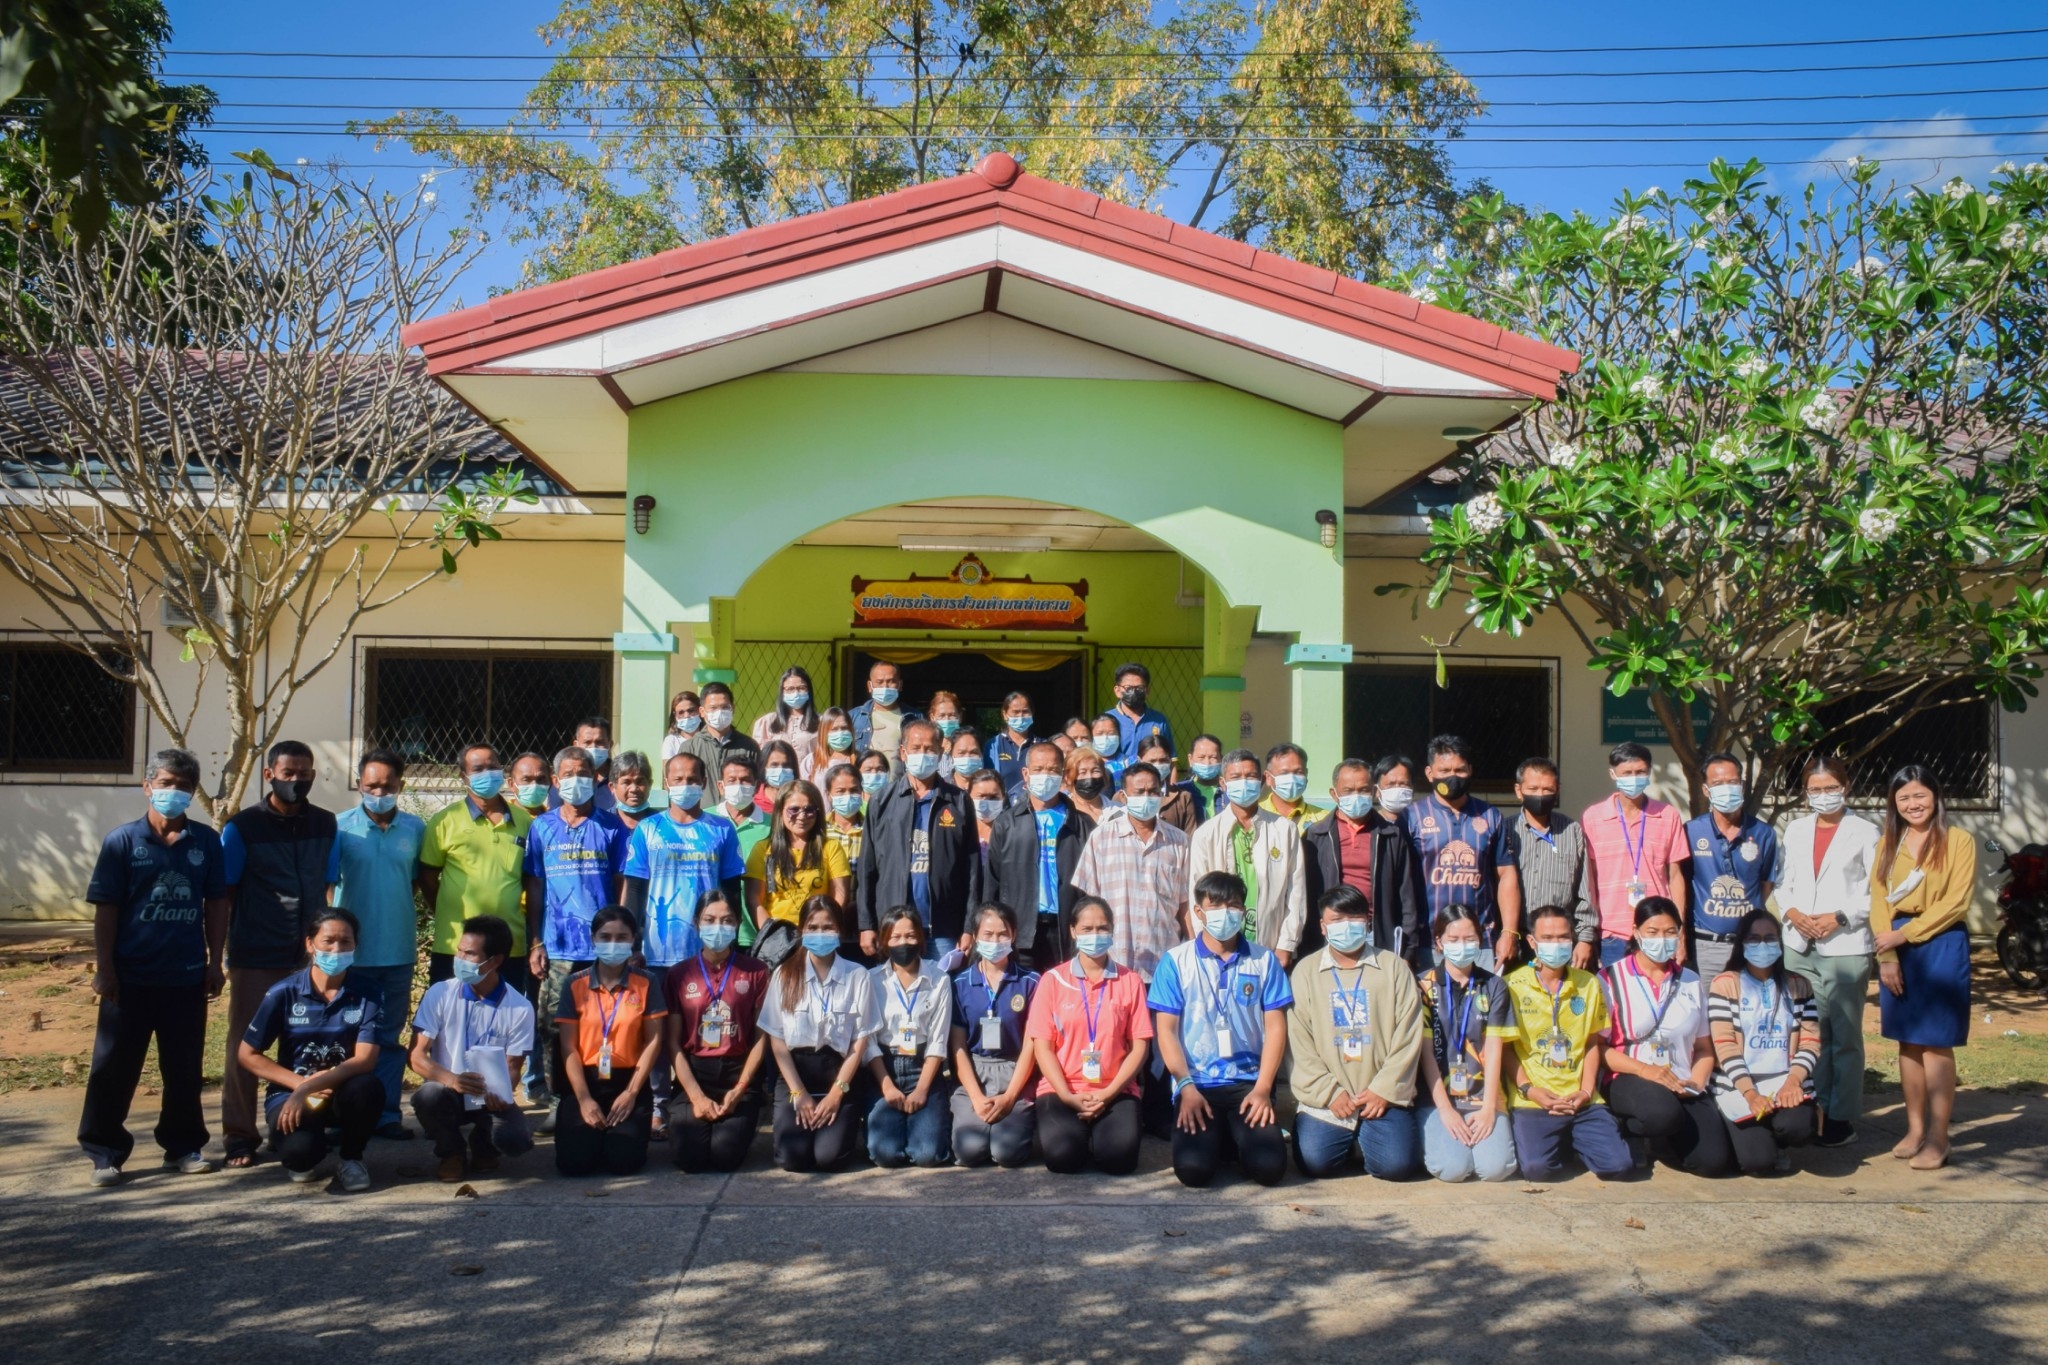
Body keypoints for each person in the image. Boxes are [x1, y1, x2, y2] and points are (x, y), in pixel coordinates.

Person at [77, 748, 229, 1187]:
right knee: (113, 1067)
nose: (173, 792)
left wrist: (214, 962)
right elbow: (106, 909)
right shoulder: (123, 841)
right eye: (165, 783)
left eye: (183, 786)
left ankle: (182, 1146)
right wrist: (105, 968)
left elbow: (217, 903)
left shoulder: (206, 842)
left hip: (185, 976)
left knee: (183, 1068)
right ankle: (104, 1152)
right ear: (147, 787)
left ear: (192, 792)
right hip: (129, 979)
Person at [220, 739, 337, 1169]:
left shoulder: (324, 823)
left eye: (304, 774)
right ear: (269, 774)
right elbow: (226, 891)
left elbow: (328, 885)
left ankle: (294, 1124)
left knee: (305, 1043)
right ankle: (239, 1136)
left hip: (307, 955)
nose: (296, 780)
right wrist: (224, 950)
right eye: (288, 773)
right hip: (256, 951)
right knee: (245, 1045)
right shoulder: (242, 827)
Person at [1151, 872, 1292, 1187]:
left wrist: (1263, 1088)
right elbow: (1167, 1032)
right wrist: (1185, 1087)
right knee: (1193, 1172)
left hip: (1248, 1084)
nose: (1225, 914)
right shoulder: (1175, 962)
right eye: (1215, 906)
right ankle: (1224, 1138)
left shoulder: (1264, 960)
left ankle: (1231, 1136)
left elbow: (1275, 1028)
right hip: (1197, 1084)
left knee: (1270, 1169)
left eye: (1234, 906)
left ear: (1243, 911)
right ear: (1198, 912)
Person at [1871, 764, 1975, 1170]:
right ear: (1893, 803)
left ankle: (1938, 1136)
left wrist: (1906, 935)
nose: (1913, 804)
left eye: (1920, 795)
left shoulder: (1958, 841)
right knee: (1908, 1041)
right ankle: (1914, 1129)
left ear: (1936, 796)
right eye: (1904, 798)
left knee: (1936, 1042)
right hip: (1895, 944)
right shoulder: (1888, 843)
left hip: (1941, 942)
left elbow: (1956, 902)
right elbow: (1878, 899)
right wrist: (1887, 955)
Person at [235, 908, 383, 1192]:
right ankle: (300, 1146)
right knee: (300, 1156)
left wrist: (313, 1085)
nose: (337, 949)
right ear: (309, 944)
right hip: (292, 1093)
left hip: (341, 1091)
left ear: (356, 945)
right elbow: (247, 1054)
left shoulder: (369, 991)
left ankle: (351, 1159)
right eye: (328, 941)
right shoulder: (283, 992)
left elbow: (365, 1059)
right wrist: (300, 1086)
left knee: (368, 1087)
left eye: (346, 942)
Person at [1775, 753, 1879, 1147]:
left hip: (1845, 944)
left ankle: (1840, 1117)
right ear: (1805, 792)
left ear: (1846, 787)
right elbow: (1782, 882)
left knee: (1845, 1035)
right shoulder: (1796, 830)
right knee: (1809, 1031)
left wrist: (1840, 916)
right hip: (1799, 944)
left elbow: (1876, 891)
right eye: (1814, 790)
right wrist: (1793, 912)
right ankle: (1813, 1107)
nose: (1823, 795)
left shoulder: (1866, 832)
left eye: (1831, 788)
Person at [1287, 885, 1426, 1180]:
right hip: (1328, 1098)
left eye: (1354, 918)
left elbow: (1409, 1034)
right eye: (1337, 920)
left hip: (1382, 1096)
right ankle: (1350, 1140)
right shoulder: (1305, 971)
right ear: (1322, 926)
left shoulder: (1393, 967)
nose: (1346, 926)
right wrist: (1330, 1092)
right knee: (1314, 1162)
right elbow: (1299, 1042)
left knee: (1397, 1166)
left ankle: (1365, 1139)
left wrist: (1383, 1090)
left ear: (1367, 922)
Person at [523, 743, 630, 1116]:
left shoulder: (612, 827)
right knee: (553, 1027)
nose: (576, 781)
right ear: (555, 781)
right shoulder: (542, 827)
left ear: (596, 778)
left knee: (604, 1026)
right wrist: (536, 941)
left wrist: (624, 938)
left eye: (583, 774)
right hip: (558, 948)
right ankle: (559, 1103)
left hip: (604, 950)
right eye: (568, 775)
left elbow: (622, 884)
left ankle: (602, 1098)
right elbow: (535, 885)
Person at [327, 747, 427, 1141]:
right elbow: (328, 885)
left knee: (388, 1036)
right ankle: (341, 1114)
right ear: (358, 784)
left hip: (398, 951)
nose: (379, 792)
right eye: (371, 785)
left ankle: (386, 1114)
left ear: (401, 785)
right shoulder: (340, 828)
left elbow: (414, 881)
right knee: (343, 1036)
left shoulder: (415, 829)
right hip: (349, 955)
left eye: (387, 785)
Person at [1600, 897, 1730, 1176]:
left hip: (1682, 1080)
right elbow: (1598, 1048)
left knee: (1713, 1161)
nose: (1662, 939)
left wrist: (1696, 1082)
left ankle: (1667, 1139)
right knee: (1661, 1113)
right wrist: (1645, 1070)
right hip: (1629, 1077)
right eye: (1653, 931)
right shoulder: (1609, 978)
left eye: (1670, 932)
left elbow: (1704, 1048)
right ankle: (1631, 1130)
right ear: (1636, 932)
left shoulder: (1691, 980)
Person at [1503, 905, 1632, 1181]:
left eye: (1563, 937)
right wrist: (1529, 1090)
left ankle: (1576, 1136)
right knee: (1537, 1170)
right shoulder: (1511, 985)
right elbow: (1506, 1049)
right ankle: (1563, 1142)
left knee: (1619, 1166)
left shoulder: (1589, 984)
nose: (1557, 944)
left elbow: (1592, 1043)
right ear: (1531, 941)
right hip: (1534, 1100)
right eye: (1547, 938)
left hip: (1582, 1098)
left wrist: (1586, 1091)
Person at [1027, 896, 1153, 1174]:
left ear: (1112, 931)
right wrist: (1066, 1095)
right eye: (1087, 929)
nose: (1095, 935)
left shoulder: (1130, 981)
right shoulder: (1052, 981)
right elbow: (1042, 1048)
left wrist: (1107, 1094)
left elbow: (1139, 1047)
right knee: (1063, 1159)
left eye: (1102, 928)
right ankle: (1081, 1137)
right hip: (1062, 1089)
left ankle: (1101, 1136)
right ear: (1073, 931)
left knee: (1119, 1161)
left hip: (1115, 1089)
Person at [407, 915, 536, 1181]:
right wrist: (452, 1080)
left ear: (495, 961)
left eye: (470, 954)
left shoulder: (520, 1007)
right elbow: (416, 1057)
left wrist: (500, 1094)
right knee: (428, 1096)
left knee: (515, 1140)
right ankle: (451, 1152)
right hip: (448, 1090)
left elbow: (513, 1067)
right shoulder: (440, 993)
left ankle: (483, 1144)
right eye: (459, 951)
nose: (460, 959)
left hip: (489, 1095)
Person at [761, 896, 878, 1171]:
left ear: (840, 931)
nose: (820, 934)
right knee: (793, 1159)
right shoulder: (784, 975)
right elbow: (777, 1039)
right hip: (795, 1074)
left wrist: (837, 1093)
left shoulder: (857, 975)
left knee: (829, 1158)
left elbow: (859, 1041)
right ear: (801, 930)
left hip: (838, 1075)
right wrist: (798, 1093)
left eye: (828, 927)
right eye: (813, 927)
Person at [553, 907, 667, 1175]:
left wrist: (631, 1093)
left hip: (629, 1080)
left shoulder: (647, 983)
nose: (613, 944)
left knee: (624, 1162)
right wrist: (583, 1099)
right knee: (574, 1165)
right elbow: (568, 1047)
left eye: (621, 937)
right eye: (605, 937)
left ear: (633, 939)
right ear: (593, 938)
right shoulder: (574, 984)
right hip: (585, 1081)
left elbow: (653, 1042)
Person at [664, 889, 770, 1173]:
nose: (718, 927)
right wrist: (696, 1097)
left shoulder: (757, 971)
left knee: (725, 1156)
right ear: (696, 923)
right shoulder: (678, 974)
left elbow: (761, 1038)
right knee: (690, 1159)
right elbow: (672, 1044)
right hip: (695, 1073)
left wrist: (740, 1089)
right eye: (709, 920)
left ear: (737, 924)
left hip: (738, 1074)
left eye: (727, 920)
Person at [1708, 909, 1821, 1173]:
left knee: (1799, 1127)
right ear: (1741, 943)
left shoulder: (1800, 985)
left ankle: (1778, 1139)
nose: (1762, 945)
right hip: (1739, 1088)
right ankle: (1748, 1135)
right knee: (1757, 1162)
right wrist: (1751, 1094)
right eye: (1754, 939)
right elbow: (1725, 1046)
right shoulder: (1725, 984)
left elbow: (1810, 1041)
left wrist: (1793, 1082)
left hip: (1785, 1083)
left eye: (1770, 938)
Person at [856, 719, 978, 962]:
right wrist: (866, 924)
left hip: (943, 928)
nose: (923, 754)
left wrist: (968, 926)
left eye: (930, 749)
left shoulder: (958, 801)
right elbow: (867, 868)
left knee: (941, 984)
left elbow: (972, 870)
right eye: (916, 748)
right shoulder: (881, 801)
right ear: (903, 753)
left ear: (940, 753)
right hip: (893, 926)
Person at [418, 744, 534, 993]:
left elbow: (530, 880)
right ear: (464, 776)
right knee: (448, 1012)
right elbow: (427, 878)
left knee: (505, 1012)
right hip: (456, 946)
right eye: (478, 769)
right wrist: (446, 909)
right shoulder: (444, 821)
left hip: (509, 946)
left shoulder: (524, 821)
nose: (487, 773)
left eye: (493, 767)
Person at [1415, 905, 1519, 1183]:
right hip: (1437, 1098)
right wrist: (1445, 1110)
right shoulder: (1422, 985)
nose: (1462, 946)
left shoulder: (1494, 986)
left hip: (1481, 1095)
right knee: (1454, 1169)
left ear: (1480, 940)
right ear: (1439, 942)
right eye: (1454, 939)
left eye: (1470, 939)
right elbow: (1425, 1054)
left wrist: (1488, 1109)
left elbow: (1494, 1048)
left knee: (1496, 1169)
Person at [1407, 735, 1523, 973]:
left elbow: (1506, 875)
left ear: (1470, 770)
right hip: (1429, 943)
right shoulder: (1411, 817)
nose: (1453, 776)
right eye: (1444, 770)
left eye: (1460, 770)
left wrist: (1509, 932)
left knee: (1482, 997)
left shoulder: (1490, 816)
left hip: (1480, 943)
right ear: (1429, 773)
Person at [623, 752, 747, 972]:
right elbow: (635, 889)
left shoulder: (722, 829)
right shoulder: (647, 828)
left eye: (692, 780)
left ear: (704, 783)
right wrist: (631, 945)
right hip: (657, 952)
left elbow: (732, 890)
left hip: (710, 949)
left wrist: (731, 939)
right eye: (678, 780)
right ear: (666, 783)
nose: (685, 785)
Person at [1071, 760, 1191, 983]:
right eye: (1139, 791)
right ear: (1124, 796)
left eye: (1153, 791)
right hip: (1113, 962)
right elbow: (1089, 903)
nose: (1146, 797)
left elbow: (1185, 905)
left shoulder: (1179, 842)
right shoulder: (1101, 838)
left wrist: (1193, 951)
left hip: (1163, 964)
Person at [1302, 758, 1428, 970]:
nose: (1356, 796)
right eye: (1348, 790)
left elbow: (1406, 896)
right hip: (1331, 934)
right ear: (1334, 794)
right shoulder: (1315, 836)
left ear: (1374, 792)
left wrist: (1407, 950)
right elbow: (1305, 894)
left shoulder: (1392, 836)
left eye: (1363, 790)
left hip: (1376, 935)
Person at [1187, 748, 1307, 967]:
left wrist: (1287, 944)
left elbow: (1296, 892)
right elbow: (1196, 892)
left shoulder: (1284, 829)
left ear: (1261, 781)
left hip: (1270, 947)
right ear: (1223, 783)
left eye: (1250, 776)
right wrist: (1205, 944)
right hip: (1220, 948)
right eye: (1236, 777)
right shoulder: (1206, 834)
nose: (1244, 782)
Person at [985, 740, 1097, 970]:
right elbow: (993, 881)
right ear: (1026, 774)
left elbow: (1093, 884)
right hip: (1021, 931)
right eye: (1038, 769)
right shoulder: (1006, 823)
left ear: (1063, 775)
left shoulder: (1082, 824)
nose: (1045, 776)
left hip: (1067, 930)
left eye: (1052, 770)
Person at [1581, 741, 1690, 968]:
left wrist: (1679, 931)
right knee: (1616, 990)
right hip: (1611, 932)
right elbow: (1589, 878)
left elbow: (1676, 876)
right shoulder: (1593, 817)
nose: (1634, 778)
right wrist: (1590, 931)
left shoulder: (1668, 815)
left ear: (1649, 772)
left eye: (1640, 772)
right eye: (1627, 773)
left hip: (1658, 929)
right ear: (1613, 774)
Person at [949, 903, 1040, 1167]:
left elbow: (1031, 1045)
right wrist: (976, 1097)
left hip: (1016, 1071)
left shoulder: (1031, 982)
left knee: (1006, 1153)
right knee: (969, 1151)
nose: (995, 941)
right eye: (988, 934)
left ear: (1014, 935)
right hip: (974, 1072)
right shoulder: (959, 983)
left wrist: (1010, 1097)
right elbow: (958, 1047)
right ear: (976, 936)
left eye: (1003, 934)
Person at [864, 907, 955, 1167]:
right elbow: (868, 1040)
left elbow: (938, 1040)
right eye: (895, 937)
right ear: (884, 941)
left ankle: (928, 1120)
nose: (903, 942)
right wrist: (887, 1087)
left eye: (910, 936)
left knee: (928, 1155)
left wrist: (922, 1090)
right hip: (884, 1067)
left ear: (921, 939)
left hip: (923, 1066)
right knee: (885, 1155)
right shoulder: (871, 980)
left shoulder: (939, 979)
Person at [1683, 751, 1779, 979]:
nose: (1726, 789)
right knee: (1708, 1002)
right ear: (1706, 790)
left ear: (1742, 786)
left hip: (1751, 945)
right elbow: (1683, 883)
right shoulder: (1691, 832)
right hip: (1705, 946)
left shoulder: (1764, 834)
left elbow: (1766, 885)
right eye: (1718, 783)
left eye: (1732, 782)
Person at [1511, 758, 1597, 969]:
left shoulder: (1572, 831)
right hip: (1516, 940)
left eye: (1547, 789)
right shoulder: (1505, 831)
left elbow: (1584, 890)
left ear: (1557, 790)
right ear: (1519, 791)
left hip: (1560, 943)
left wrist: (1585, 939)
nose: (1540, 795)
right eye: (1533, 789)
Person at [746, 779, 853, 929]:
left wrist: (824, 928)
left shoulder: (831, 848)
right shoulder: (763, 849)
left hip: (818, 933)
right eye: (794, 809)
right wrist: (771, 934)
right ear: (780, 811)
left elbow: (839, 896)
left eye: (809, 810)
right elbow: (753, 899)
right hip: (776, 935)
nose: (802, 816)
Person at [707, 754, 772, 945]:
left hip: (757, 931)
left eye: (745, 780)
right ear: (721, 786)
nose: (738, 785)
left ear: (757, 785)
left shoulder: (773, 824)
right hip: (712, 928)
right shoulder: (706, 820)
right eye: (732, 780)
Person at [681, 681, 761, 782]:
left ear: (733, 709)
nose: (719, 712)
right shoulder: (690, 748)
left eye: (725, 707)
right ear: (702, 712)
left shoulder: (749, 747)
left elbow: (757, 783)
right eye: (713, 708)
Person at [850, 659, 922, 763]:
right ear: (870, 686)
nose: (885, 687)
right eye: (879, 682)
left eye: (891, 681)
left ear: (900, 685)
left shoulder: (915, 717)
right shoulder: (854, 717)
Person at [1107, 662, 1174, 756]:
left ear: (1147, 691)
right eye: (1128, 688)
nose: (1134, 692)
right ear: (1117, 691)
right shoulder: (1106, 720)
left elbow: (1170, 758)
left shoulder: (1159, 720)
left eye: (1139, 688)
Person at [752, 665, 820, 753]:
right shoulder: (767, 722)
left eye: (802, 688)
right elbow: (759, 755)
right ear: (782, 692)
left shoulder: (821, 722)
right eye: (790, 689)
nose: (796, 693)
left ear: (809, 690)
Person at [1137, 737, 1198, 834]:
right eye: (1152, 761)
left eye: (1163, 760)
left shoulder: (1183, 798)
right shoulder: (1125, 796)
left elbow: (1189, 836)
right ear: (1139, 761)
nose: (1157, 765)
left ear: (1170, 761)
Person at [561, 716, 617, 809]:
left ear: (610, 744)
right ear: (576, 745)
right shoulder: (565, 780)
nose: (593, 747)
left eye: (600, 742)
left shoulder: (621, 778)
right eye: (587, 742)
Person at [1259, 743, 1318, 830]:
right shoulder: (1254, 815)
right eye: (1284, 773)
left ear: (1306, 774)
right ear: (1268, 777)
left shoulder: (1323, 819)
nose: (1292, 778)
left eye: (1299, 772)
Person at [823, 763, 868, 877]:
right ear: (829, 795)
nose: (848, 796)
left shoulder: (870, 829)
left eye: (854, 790)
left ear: (861, 792)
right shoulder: (820, 829)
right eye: (840, 791)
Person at [987, 691, 1035, 794]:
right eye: (1016, 712)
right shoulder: (993, 746)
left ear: (1032, 713)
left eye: (1025, 711)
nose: (1021, 716)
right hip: (1003, 803)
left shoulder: (1042, 745)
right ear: (1005, 714)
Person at [1066, 742, 1120, 823]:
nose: (1090, 777)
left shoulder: (1120, 811)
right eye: (1082, 772)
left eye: (1095, 771)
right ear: (1069, 778)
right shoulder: (1063, 813)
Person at [1179, 733, 1225, 823]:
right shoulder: (1180, 791)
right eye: (1201, 757)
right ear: (1190, 759)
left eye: (1213, 757)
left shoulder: (1229, 791)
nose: (1207, 763)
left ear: (1221, 759)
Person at [611, 751, 656, 834]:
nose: (634, 789)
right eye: (626, 782)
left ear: (649, 784)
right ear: (612, 787)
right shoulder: (601, 823)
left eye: (640, 782)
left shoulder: (662, 823)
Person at [811, 706, 857, 780]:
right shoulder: (812, 761)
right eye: (834, 729)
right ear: (824, 732)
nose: (840, 733)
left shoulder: (859, 760)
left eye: (844, 728)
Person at [660, 688, 703, 765]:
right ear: (675, 715)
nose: (686, 716)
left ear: (700, 711)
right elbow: (667, 769)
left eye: (691, 711)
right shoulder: (671, 741)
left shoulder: (709, 739)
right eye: (681, 712)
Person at [1087, 713, 1130, 788]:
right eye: (1100, 733)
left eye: (1111, 733)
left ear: (1119, 736)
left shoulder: (1130, 763)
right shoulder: (1085, 762)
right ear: (1091, 737)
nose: (1105, 738)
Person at [1373, 755, 1418, 822]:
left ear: (1413, 788)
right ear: (1377, 790)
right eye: (1390, 784)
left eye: (1403, 784)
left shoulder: (1422, 823)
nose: (1397, 789)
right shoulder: (1370, 825)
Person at [758, 740, 801, 811]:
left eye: (786, 765)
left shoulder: (802, 798)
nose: (781, 770)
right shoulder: (752, 799)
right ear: (764, 767)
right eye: (774, 765)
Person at [510, 752, 552, 819]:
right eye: (526, 780)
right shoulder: (500, 817)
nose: (534, 786)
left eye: (540, 779)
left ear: (550, 782)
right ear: (511, 784)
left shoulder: (554, 821)